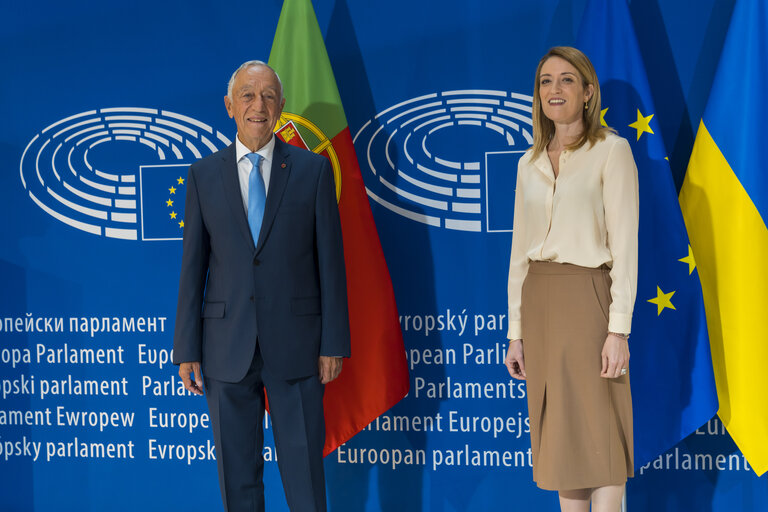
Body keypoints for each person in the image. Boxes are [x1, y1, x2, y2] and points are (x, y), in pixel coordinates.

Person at [172, 60, 351, 512]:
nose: (258, 105)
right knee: (238, 481)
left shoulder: (312, 171)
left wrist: (334, 342)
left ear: (282, 107)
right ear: (229, 106)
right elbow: (193, 268)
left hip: (297, 345)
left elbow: (331, 263)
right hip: (225, 348)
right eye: (248, 95)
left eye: (268, 95)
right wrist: (186, 348)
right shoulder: (203, 175)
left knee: (305, 477)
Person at [504, 46, 639, 512]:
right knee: (561, 442)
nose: (554, 90)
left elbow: (625, 247)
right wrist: (516, 334)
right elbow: (518, 255)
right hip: (539, 304)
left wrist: (617, 329)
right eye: (545, 81)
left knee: (600, 436)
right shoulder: (528, 163)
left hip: (589, 301)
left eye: (566, 80)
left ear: (587, 93)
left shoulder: (612, 151)